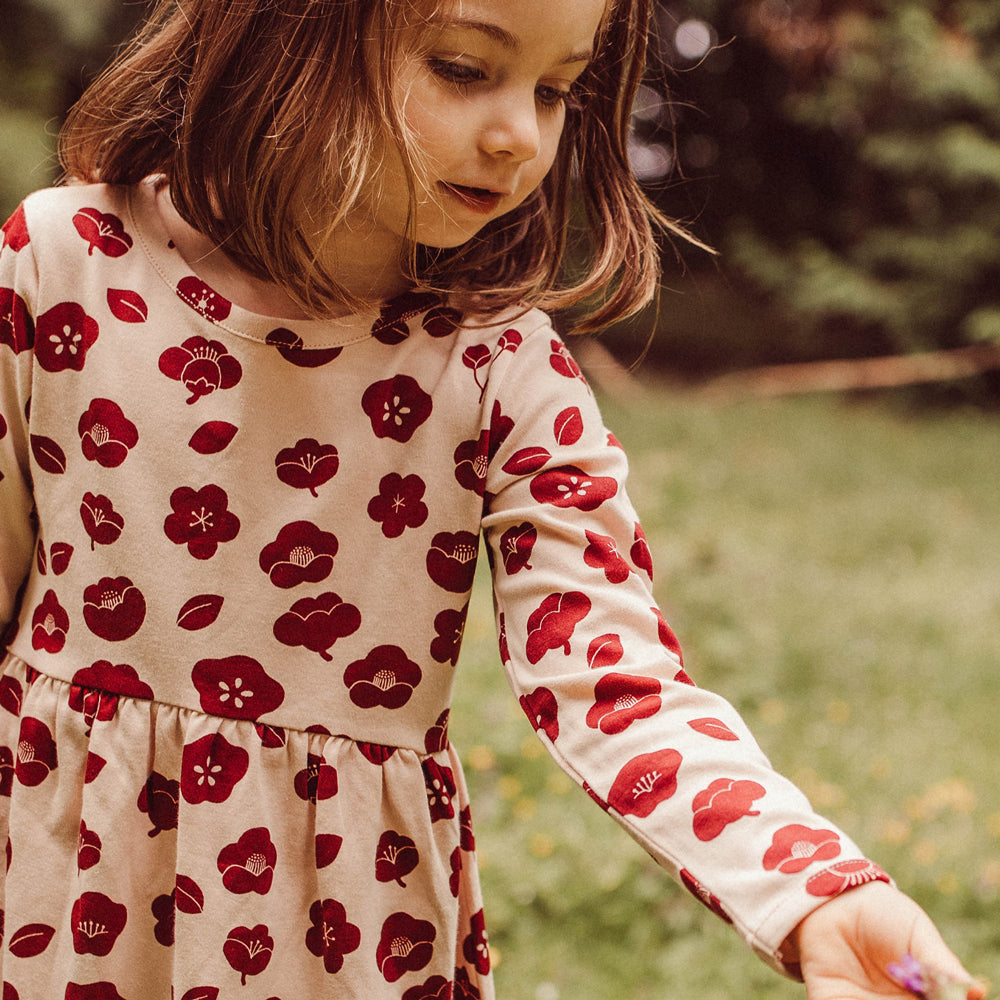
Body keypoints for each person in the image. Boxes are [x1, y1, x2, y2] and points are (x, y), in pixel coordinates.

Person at [0, 1, 985, 998]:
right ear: (284, 29)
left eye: (556, 89)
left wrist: (812, 888)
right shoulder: (60, 267)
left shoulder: (496, 367)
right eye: (466, 68)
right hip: (58, 897)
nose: (521, 132)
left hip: (344, 939)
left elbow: (615, 679)